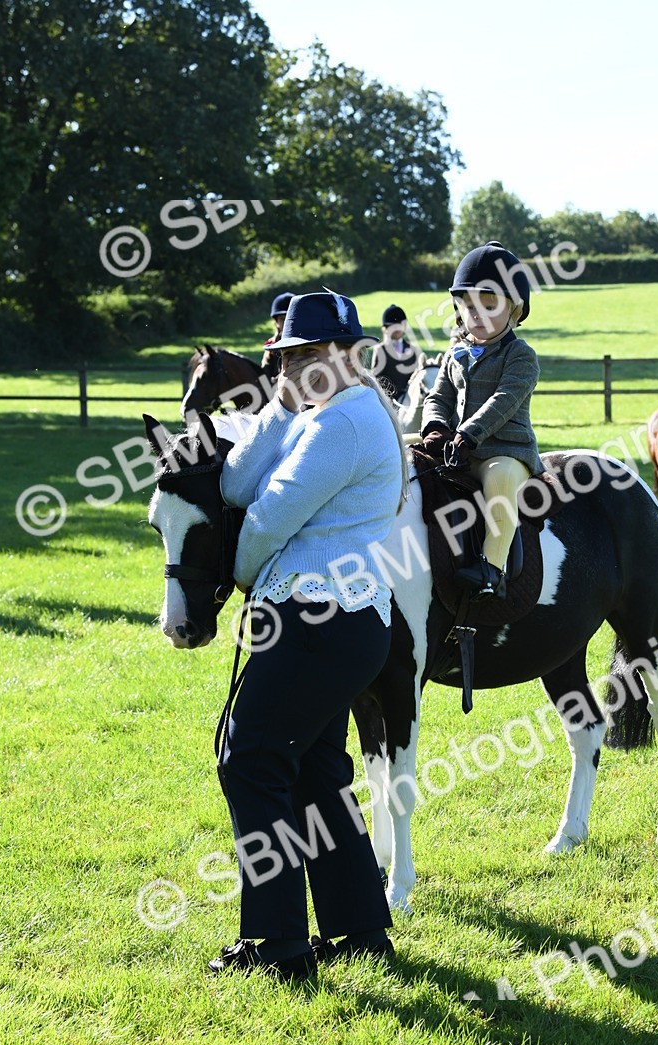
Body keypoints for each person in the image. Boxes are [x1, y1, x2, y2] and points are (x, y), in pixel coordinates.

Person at [212, 290, 407, 979]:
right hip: (337, 622)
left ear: (343, 355)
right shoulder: (322, 415)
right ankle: (359, 932)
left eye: (304, 356)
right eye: (285, 356)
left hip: (316, 618)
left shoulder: (344, 426)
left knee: (251, 761)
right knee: (318, 774)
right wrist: (277, 407)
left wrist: (236, 580)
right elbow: (236, 487)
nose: (291, 367)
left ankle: (278, 946)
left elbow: (267, 517)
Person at [419, 240, 541, 600]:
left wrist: (468, 434)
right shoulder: (454, 353)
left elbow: (504, 402)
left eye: (490, 306)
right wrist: (435, 427)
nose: (478, 315)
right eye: (469, 307)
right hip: (458, 448)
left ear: (514, 309)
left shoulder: (521, 355)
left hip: (505, 451)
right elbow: (437, 396)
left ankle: (493, 568)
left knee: (500, 479)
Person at [370, 303, 421, 403]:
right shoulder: (380, 350)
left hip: (408, 399)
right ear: (386, 328)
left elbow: (417, 374)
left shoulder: (413, 349)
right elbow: (376, 377)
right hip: (387, 399)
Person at [260, 291, 295, 386]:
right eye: (283, 319)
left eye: (290, 318)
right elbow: (264, 373)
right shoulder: (271, 345)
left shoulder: (309, 342)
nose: (287, 323)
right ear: (276, 322)